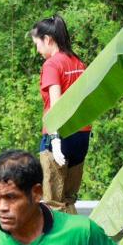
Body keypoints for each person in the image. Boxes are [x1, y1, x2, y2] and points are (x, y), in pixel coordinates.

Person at [31, 15, 92, 214]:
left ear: (48, 39)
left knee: (53, 203)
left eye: (37, 44)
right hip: (81, 136)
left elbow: (56, 106)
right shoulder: (78, 63)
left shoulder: (52, 65)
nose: (38, 50)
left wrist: (55, 140)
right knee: (69, 198)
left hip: (59, 137)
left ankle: (56, 244)